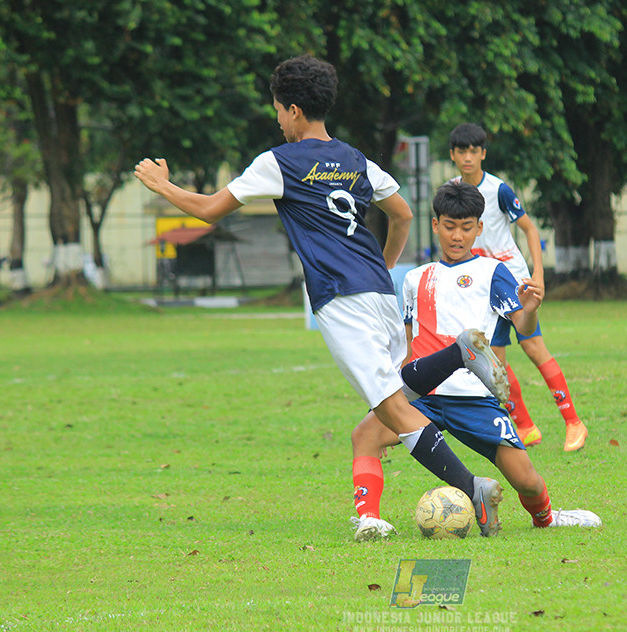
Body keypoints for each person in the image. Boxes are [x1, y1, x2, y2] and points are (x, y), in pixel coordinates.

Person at [134, 55, 507, 542]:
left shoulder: (280, 162)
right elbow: (402, 215)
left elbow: (208, 210)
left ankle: (471, 487)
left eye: (277, 111)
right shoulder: (356, 159)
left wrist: (164, 186)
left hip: (341, 299)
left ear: (291, 110)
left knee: (392, 410)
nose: (277, 120)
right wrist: (384, 267)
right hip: (377, 289)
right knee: (401, 391)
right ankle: (461, 353)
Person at [352, 181, 602, 535]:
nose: (458, 236)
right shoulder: (414, 279)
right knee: (365, 435)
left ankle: (547, 518)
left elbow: (521, 323)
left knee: (527, 481)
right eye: (450, 226)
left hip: (474, 396)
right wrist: (389, 404)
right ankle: (369, 520)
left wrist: (529, 310)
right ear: (436, 224)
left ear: (480, 228)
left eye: (467, 227)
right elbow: (408, 348)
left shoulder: (492, 272)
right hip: (424, 396)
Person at [448, 122, 588, 452]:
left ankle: (573, 423)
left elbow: (530, 229)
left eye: (474, 151)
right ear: (452, 155)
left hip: (510, 278)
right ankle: (525, 425)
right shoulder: (451, 190)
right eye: (461, 151)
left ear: (483, 154)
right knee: (494, 360)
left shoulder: (499, 190)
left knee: (533, 347)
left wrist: (537, 274)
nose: (468, 158)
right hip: (482, 282)